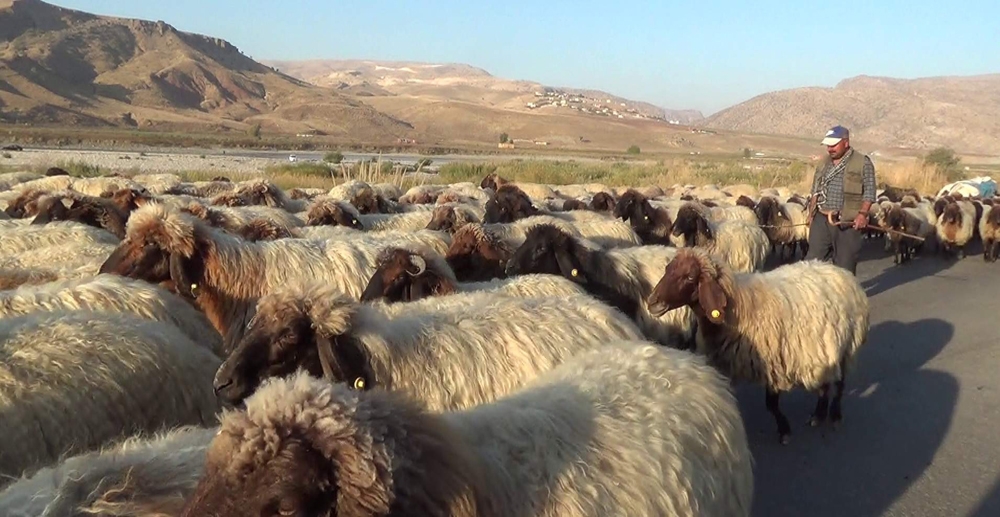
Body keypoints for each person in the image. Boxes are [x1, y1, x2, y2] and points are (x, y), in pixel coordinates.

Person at [805, 125, 877, 275]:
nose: (830, 149)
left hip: (846, 222)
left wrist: (862, 214)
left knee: (845, 267)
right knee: (812, 264)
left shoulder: (863, 163)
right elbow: (815, 190)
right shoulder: (823, 163)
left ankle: (845, 290)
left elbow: (870, 192)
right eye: (828, 145)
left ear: (846, 142)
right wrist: (811, 214)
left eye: (834, 145)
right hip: (821, 219)